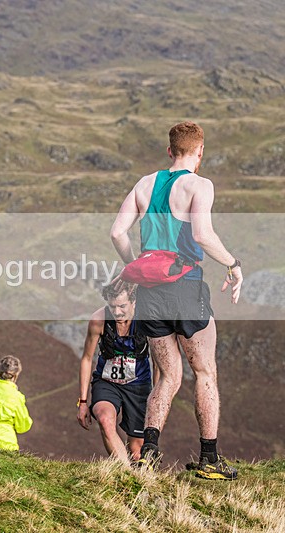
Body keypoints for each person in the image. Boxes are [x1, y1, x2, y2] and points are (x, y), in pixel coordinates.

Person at [110, 121, 243, 480]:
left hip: (151, 293)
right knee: (204, 372)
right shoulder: (199, 184)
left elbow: (117, 232)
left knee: (167, 377)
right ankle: (210, 460)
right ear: (200, 152)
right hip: (185, 286)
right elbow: (202, 234)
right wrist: (232, 263)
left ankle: (149, 454)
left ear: (170, 151)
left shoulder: (144, 184)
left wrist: (137, 268)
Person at [77, 281, 151, 465]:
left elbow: (159, 363)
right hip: (107, 382)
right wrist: (83, 402)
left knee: (137, 450)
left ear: (133, 301)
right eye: (112, 307)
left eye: (122, 306)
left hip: (139, 385)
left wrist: (157, 400)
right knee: (104, 419)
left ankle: (136, 472)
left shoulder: (148, 319)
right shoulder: (99, 320)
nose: (117, 312)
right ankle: (125, 473)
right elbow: (87, 358)